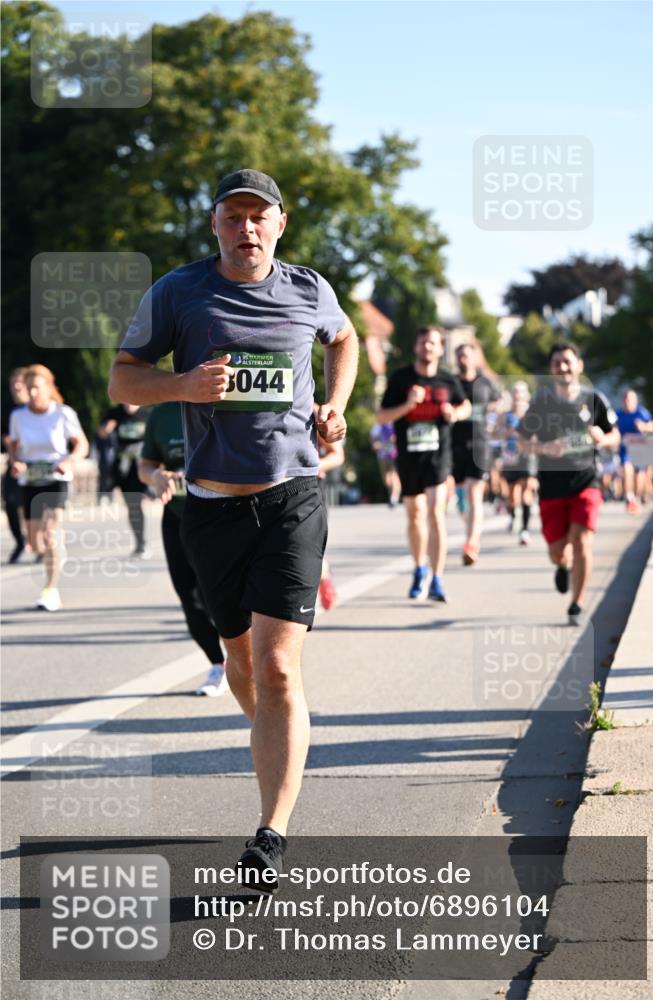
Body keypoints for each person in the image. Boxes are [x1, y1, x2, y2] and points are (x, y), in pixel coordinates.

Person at [108, 168, 358, 889]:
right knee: (243, 665)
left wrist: (334, 406)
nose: (246, 227)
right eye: (232, 215)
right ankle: (280, 736)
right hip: (210, 506)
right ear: (214, 223)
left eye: (259, 216)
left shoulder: (310, 289)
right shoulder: (178, 292)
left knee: (279, 668)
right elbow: (123, 380)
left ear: (279, 224)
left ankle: (270, 833)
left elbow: (344, 343)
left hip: (292, 496)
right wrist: (181, 385)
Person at [518, 342, 620, 627]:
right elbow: (522, 443)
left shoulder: (594, 399)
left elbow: (616, 437)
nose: (562, 367)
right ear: (551, 370)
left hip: (587, 480)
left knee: (583, 541)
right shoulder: (541, 403)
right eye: (556, 363)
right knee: (557, 551)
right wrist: (544, 449)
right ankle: (562, 565)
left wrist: (603, 437)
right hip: (551, 486)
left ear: (579, 365)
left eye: (567, 362)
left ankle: (577, 603)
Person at [138, 402, 228, 696]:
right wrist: (156, 477)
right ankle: (218, 664)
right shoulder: (161, 414)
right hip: (177, 514)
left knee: (220, 596)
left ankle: (247, 660)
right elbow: (146, 464)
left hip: (223, 514)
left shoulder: (228, 402)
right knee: (190, 597)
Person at [376, 325, 470, 602]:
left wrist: (454, 412)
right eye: (422, 342)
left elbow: (465, 406)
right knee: (415, 515)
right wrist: (407, 405)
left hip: (438, 457)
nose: (427, 347)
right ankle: (420, 568)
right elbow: (381, 416)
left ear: (441, 349)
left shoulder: (447, 381)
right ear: (416, 347)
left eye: (432, 343)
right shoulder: (401, 379)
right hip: (409, 457)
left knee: (435, 514)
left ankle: (438, 578)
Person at [6, 364, 88, 610]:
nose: (31, 393)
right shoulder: (18, 417)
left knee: (50, 533)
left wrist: (69, 461)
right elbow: (14, 446)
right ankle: (52, 549)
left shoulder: (62, 413)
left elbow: (81, 445)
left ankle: (50, 590)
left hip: (56, 478)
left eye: (36, 388)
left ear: (48, 388)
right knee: (36, 543)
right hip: (30, 481)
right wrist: (16, 463)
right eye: (28, 388)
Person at [451, 340, 502, 565]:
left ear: (474, 358)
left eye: (467, 355)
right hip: (455, 445)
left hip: (480, 444)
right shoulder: (451, 383)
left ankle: (471, 543)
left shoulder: (485, 383)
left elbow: (500, 403)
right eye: (460, 355)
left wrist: (491, 411)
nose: (464, 359)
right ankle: (472, 528)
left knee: (474, 496)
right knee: (461, 501)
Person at [97, 403, 151, 557]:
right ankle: (139, 542)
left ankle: (142, 543)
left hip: (143, 465)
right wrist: (106, 429)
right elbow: (101, 434)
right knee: (133, 505)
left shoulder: (146, 413)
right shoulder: (114, 413)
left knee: (137, 502)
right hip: (123, 468)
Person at [496, 380, 537, 546]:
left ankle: (524, 530)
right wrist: (507, 432)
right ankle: (514, 516)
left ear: (526, 395)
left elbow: (539, 434)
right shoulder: (505, 416)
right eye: (515, 393)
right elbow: (496, 434)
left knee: (526, 490)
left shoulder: (532, 414)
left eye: (521, 392)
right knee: (512, 497)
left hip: (527, 457)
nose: (518, 396)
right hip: (510, 457)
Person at [316, 423, 345, 611]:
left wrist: (313, 465)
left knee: (309, 548)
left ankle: (323, 574)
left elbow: (337, 455)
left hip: (309, 489)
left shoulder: (310, 410)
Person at [2, 368, 30, 563]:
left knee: (36, 506)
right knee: (10, 503)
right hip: (15, 463)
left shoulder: (40, 408)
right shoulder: (6, 409)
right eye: (13, 384)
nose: (16, 387)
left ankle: (41, 543)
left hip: (38, 466)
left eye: (19, 383)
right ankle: (20, 542)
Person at [615, 389, 653, 513]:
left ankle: (637, 497)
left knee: (639, 476)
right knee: (627, 469)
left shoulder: (641, 413)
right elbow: (611, 429)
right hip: (625, 448)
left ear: (635, 401)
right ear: (622, 401)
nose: (628, 402)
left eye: (630, 400)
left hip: (640, 449)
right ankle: (629, 497)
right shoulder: (618, 414)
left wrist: (644, 426)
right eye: (626, 399)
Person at [369, 421, 401, 507]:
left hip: (394, 454)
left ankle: (394, 497)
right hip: (382, 455)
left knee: (394, 474)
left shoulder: (395, 421)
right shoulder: (378, 425)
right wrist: (375, 444)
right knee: (386, 478)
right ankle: (392, 494)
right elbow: (373, 438)